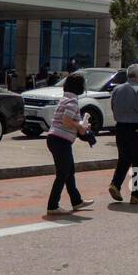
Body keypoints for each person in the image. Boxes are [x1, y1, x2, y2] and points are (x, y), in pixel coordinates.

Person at [45, 73, 94, 214]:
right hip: (60, 140)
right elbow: (66, 121)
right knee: (63, 173)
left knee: (69, 171)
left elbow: (67, 121)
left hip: (56, 138)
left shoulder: (66, 99)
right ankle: (52, 206)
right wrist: (80, 126)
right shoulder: (72, 102)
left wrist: (80, 126)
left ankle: (76, 201)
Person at [108, 63, 138, 205]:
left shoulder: (117, 89)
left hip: (120, 128)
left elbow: (113, 107)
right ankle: (137, 195)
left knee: (124, 158)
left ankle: (115, 184)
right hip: (136, 129)